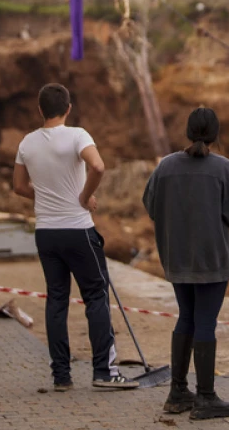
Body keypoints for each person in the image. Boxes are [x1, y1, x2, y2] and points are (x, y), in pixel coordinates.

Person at [13, 83, 136, 392]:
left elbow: (18, 187)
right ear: (68, 108)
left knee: (56, 300)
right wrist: (84, 195)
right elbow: (97, 165)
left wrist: (45, 196)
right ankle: (104, 372)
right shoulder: (78, 135)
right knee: (96, 296)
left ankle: (61, 376)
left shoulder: (26, 143)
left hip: (46, 233)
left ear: (40, 110)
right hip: (79, 230)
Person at [142, 108, 229, 421]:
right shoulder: (225, 169)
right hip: (211, 261)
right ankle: (205, 397)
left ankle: (177, 392)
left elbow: (151, 206)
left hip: (177, 259)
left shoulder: (165, 167)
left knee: (185, 317)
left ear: (187, 132)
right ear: (216, 135)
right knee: (205, 322)